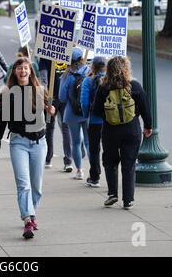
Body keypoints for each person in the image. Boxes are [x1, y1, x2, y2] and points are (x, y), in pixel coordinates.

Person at [0, 57, 55, 239]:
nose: (22, 71)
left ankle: (31, 212)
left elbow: (49, 116)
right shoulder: (7, 93)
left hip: (39, 143)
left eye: (26, 68)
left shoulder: (40, 90)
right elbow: (2, 119)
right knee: (24, 184)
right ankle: (28, 219)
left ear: (30, 71)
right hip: (18, 142)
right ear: (14, 72)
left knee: (37, 187)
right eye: (19, 68)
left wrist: (51, 111)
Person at [92, 56, 152, 209]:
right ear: (126, 68)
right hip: (131, 129)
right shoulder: (134, 86)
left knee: (110, 161)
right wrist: (148, 126)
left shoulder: (103, 87)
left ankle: (112, 194)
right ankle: (128, 199)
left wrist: (108, 115)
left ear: (109, 69)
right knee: (129, 163)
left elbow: (96, 110)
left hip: (110, 130)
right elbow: (146, 108)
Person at [58, 48, 90, 180]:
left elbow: (62, 98)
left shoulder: (66, 75)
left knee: (76, 142)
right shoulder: (89, 72)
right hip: (87, 112)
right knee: (89, 143)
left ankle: (79, 171)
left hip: (72, 113)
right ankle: (94, 170)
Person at [38, 56, 73, 172]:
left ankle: (48, 159)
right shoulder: (67, 52)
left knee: (49, 128)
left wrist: (45, 95)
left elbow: (43, 79)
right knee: (65, 127)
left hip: (51, 97)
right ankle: (68, 161)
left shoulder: (45, 55)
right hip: (65, 95)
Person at [80, 56, 106, 188]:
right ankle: (111, 176)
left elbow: (84, 102)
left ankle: (95, 176)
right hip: (110, 120)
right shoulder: (111, 80)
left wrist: (86, 115)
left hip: (95, 120)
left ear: (93, 67)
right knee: (109, 149)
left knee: (94, 149)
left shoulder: (88, 81)